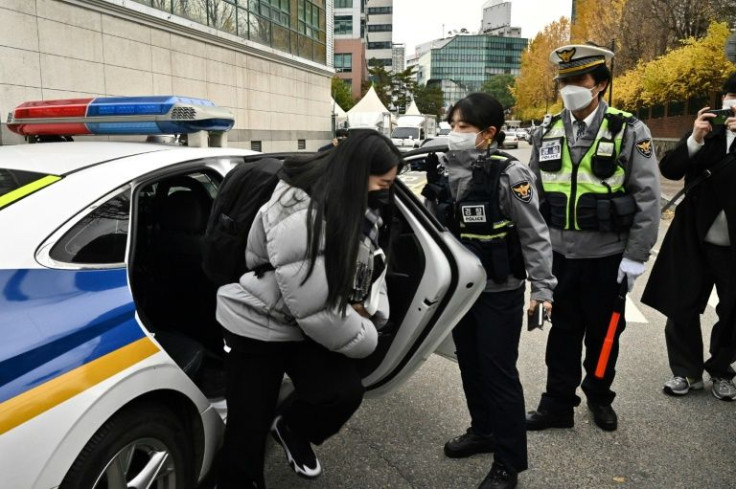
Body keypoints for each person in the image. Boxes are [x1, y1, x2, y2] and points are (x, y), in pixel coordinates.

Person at [215, 130, 401, 489]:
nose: (386, 191)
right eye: (383, 182)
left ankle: (290, 427)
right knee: (247, 429)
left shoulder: (354, 203)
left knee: (341, 392)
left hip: (300, 319)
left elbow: (368, 266)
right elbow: (315, 311)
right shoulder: (299, 210)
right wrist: (368, 336)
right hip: (257, 320)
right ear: (357, 171)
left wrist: (368, 306)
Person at [422, 93, 556, 489]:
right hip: (461, 293)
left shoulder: (510, 175)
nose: (455, 133)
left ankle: (508, 463)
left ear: (488, 133)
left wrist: (543, 289)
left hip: (500, 290)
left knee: (499, 374)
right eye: (453, 125)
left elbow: (535, 235)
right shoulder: (442, 172)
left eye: (463, 127)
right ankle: (483, 431)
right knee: (470, 365)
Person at [525, 44, 661, 432]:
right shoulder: (546, 130)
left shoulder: (629, 129)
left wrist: (636, 257)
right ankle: (557, 405)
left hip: (608, 256)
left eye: (577, 80)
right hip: (558, 256)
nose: (569, 88)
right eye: (563, 81)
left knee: (604, 337)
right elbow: (531, 195)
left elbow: (648, 198)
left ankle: (599, 396)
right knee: (562, 334)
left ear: (599, 85)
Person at [642, 72, 736, 401]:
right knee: (681, 303)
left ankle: (723, 369)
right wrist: (695, 138)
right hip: (692, 234)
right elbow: (669, 170)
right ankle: (686, 371)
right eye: (730, 100)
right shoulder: (705, 133)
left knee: (733, 310)